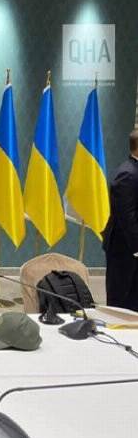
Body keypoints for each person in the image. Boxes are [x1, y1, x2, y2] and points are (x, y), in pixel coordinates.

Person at [102, 129, 138, 310]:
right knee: (120, 304)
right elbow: (126, 216)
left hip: (131, 249)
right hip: (124, 249)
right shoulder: (128, 174)